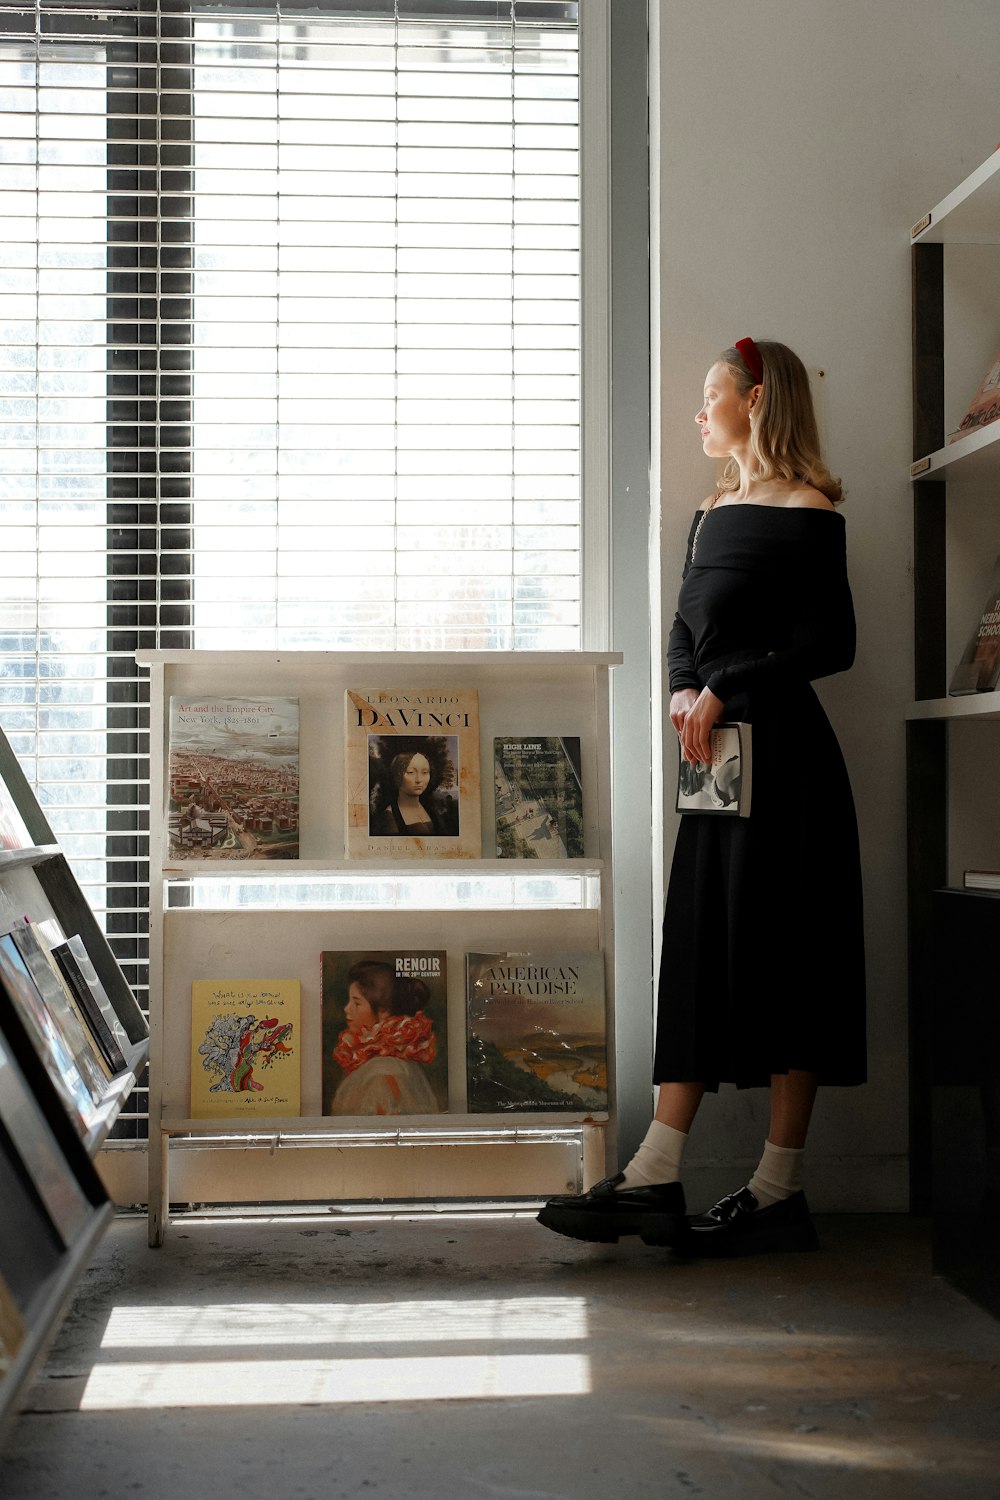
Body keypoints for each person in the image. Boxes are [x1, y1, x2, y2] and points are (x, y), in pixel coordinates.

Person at [538, 337, 866, 1257]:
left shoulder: (812, 511)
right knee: (700, 954)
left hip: (791, 769)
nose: (698, 412)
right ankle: (657, 1173)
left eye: (711, 396)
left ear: (755, 402)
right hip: (717, 769)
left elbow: (830, 645)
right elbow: (683, 624)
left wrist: (730, 689)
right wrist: (687, 687)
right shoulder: (710, 509)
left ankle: (776, 1190)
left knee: (792, 963)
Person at [328, 959, 442, 1115]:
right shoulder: (380, 1063)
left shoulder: (384, 1071)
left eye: (356, 1003)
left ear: (384, 1011)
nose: (347, 1009)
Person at [369, 740, 459, 838]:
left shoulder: (431, 809)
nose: (419, 780)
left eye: (424, 772)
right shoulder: (390, 817)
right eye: (411, 772)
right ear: (397, 775)